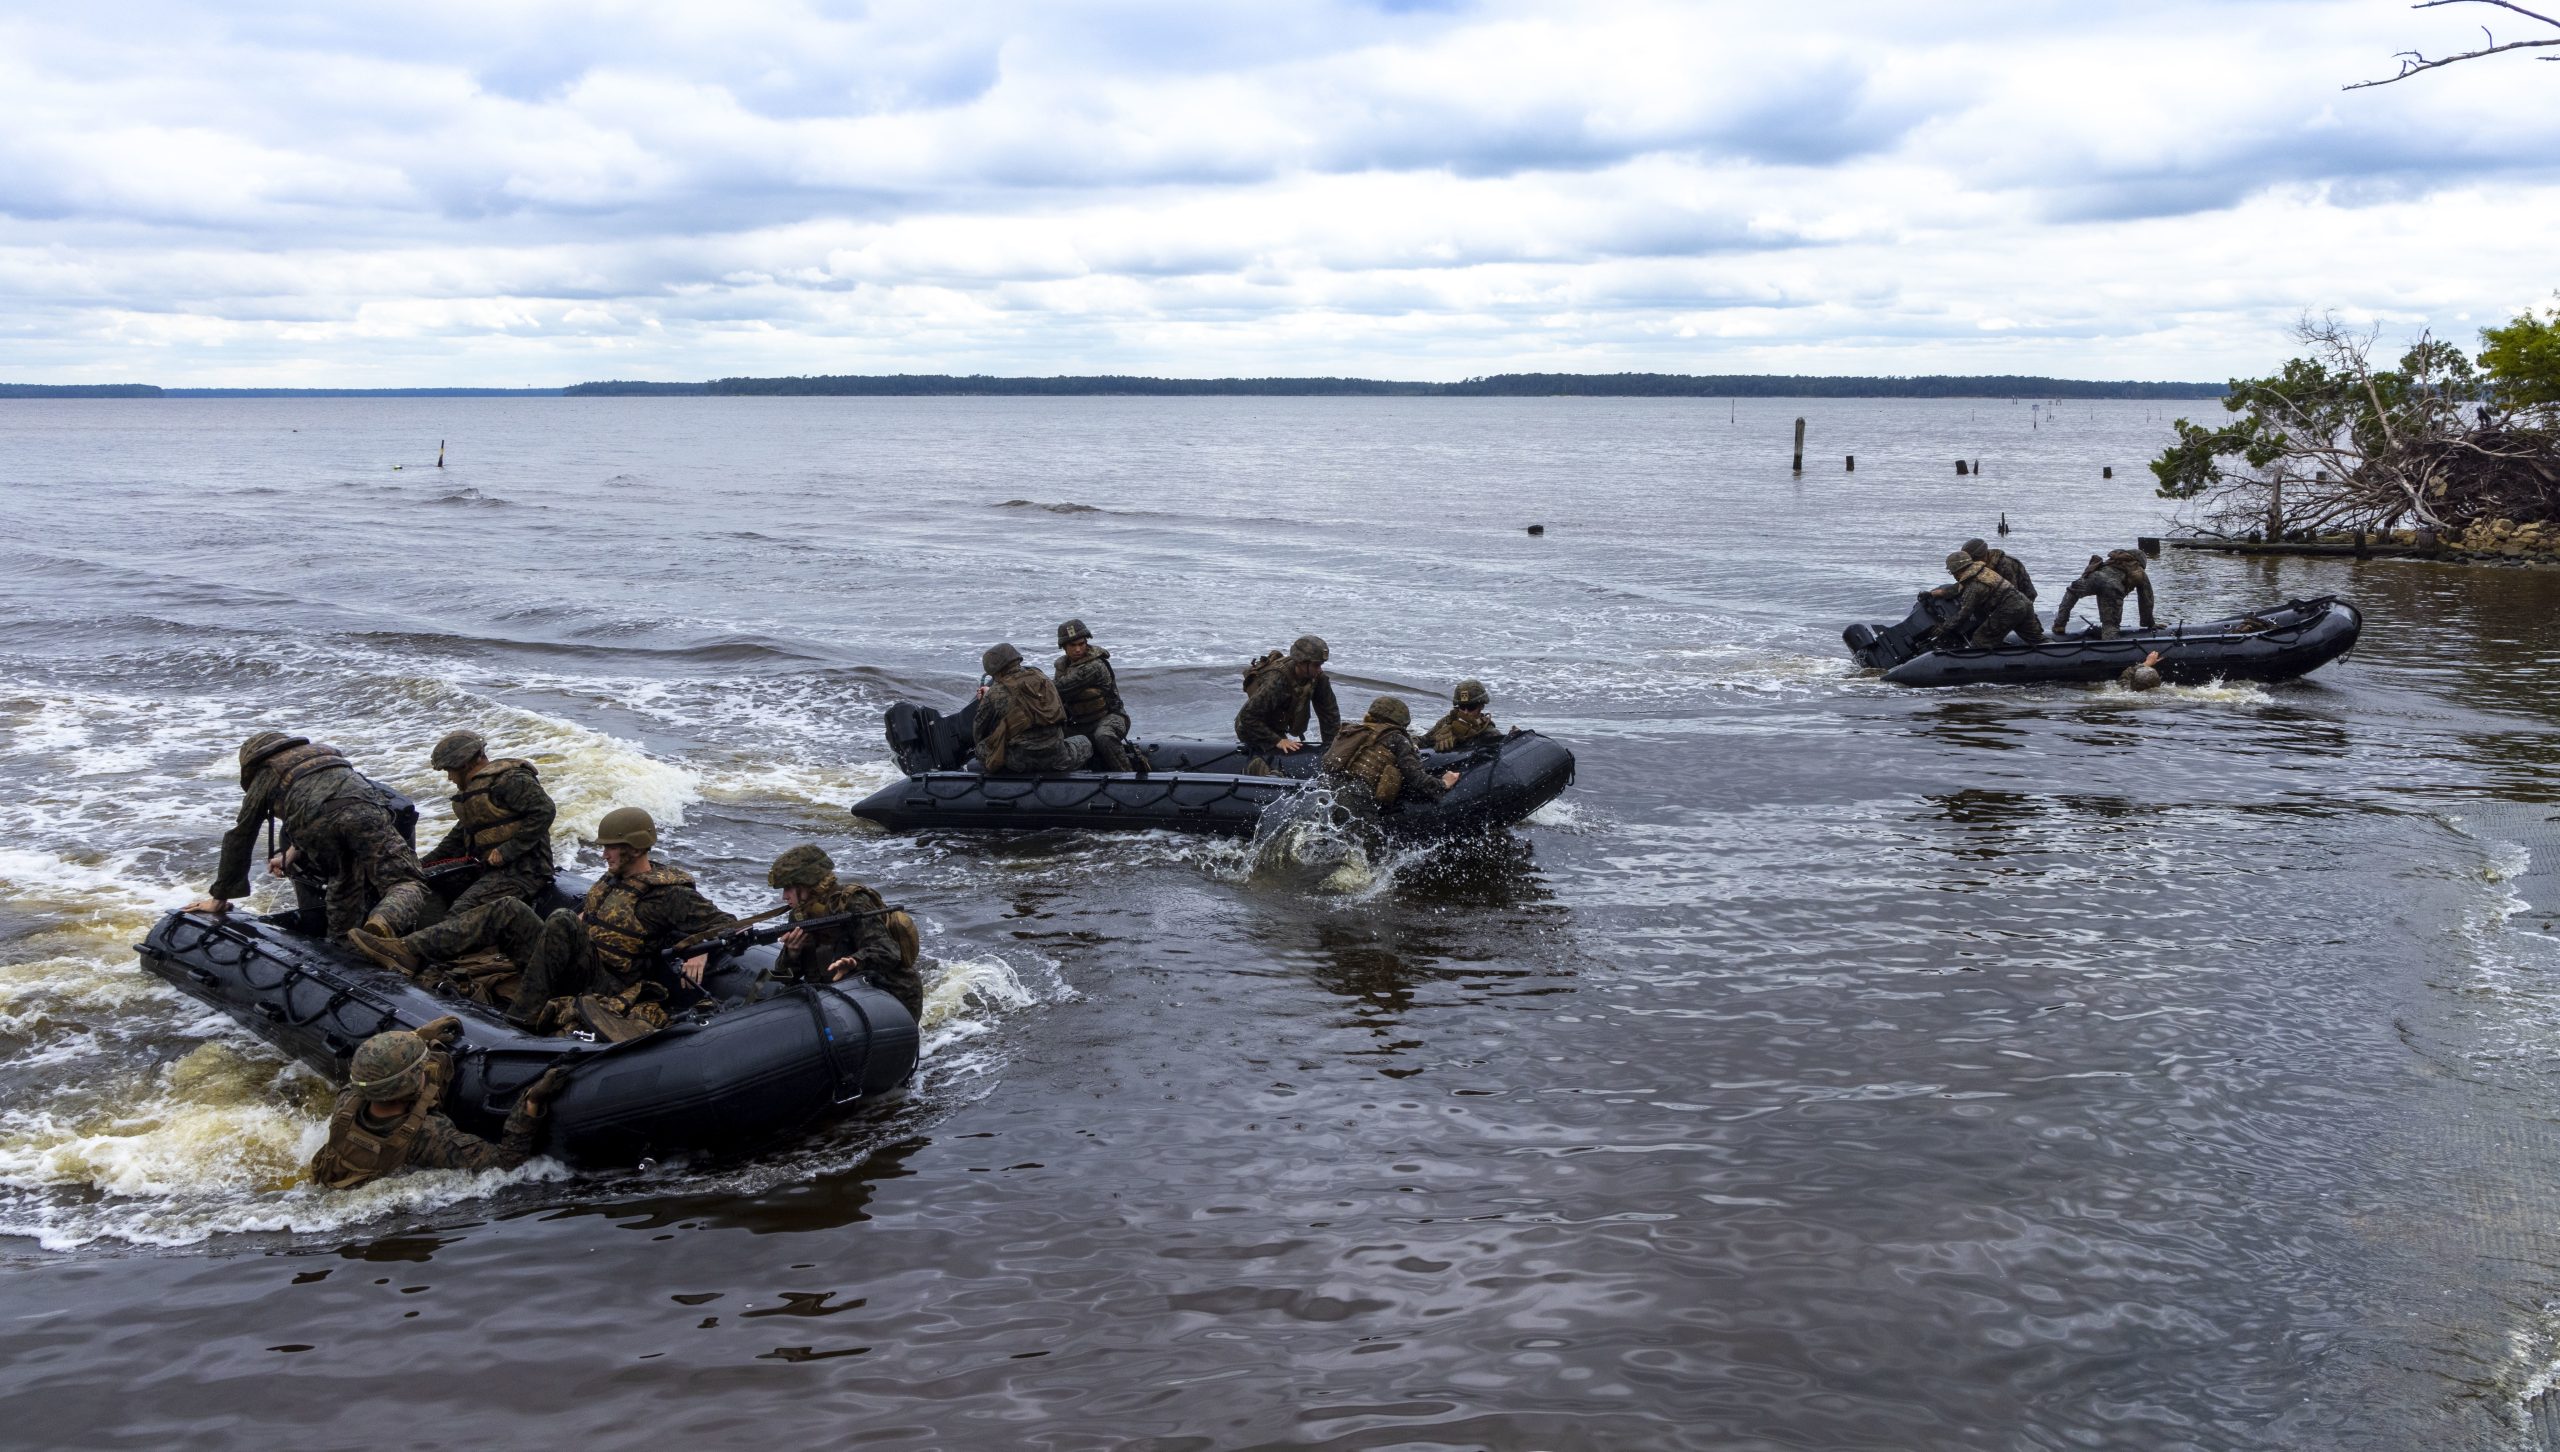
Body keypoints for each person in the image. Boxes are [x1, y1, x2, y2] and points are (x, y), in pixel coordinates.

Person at [351, 807, 730, 1032]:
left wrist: (700, 950)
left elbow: (727, 922)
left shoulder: (670, 894)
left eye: (611, 848)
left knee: (563, 918)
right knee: (509, 908)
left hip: (607, 982)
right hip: (572, 961)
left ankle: (521, 1019)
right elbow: (597, 914)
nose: (604, 856)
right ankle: (407, 951)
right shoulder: (614, 879)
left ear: (634, 847)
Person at [187, 731, 429, 941]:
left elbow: (240, 836)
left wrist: (219, 899)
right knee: (406, 882)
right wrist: (292, 852)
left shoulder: (267, 773)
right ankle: (382, 923)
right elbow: (338, 802)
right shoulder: (328, 754)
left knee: (342, 886)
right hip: (367, 812)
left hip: (317, 828)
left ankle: (342, 942)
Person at [308, 1017, 567, 1189]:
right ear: (410, 1083)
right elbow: (505, 1164)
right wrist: (531, 1102)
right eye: (420, 1069)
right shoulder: (430, 1137)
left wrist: (418, 1037)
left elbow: (377, 1073)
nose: (424, 1072)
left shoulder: (347, 1101)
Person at [766, 845, 924, 1020]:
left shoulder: (852, 902)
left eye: (788, 888)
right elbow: (786, 978)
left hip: (889, 995)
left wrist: (854, 961)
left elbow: (887, 951)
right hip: (840, 1000)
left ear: (807, 883)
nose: (784, 897)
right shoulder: (800, 916)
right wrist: (792, 953)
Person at [421, 730, 557, 916]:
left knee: (461, 914)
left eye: (449, 771)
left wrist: (507, 851)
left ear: (464, 764)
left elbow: (545, 810)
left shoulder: (509, 780)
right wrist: (419, 865)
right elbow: (455, 841)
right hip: (486, 870)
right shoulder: (475, 795)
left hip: (525, 872)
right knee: (425, 882)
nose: (449, 778)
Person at [1321, 696, 1460, 812]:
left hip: (1326, 791)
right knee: (1366, 844)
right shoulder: (1397, 739)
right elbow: (1416, 777)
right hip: (1357, 798)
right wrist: (1443, 783)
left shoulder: (1352, 731)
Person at [973, 643, 1092, 775]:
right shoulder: (1044, 679)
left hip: (1018, 761)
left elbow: (979, 730)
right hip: (1058, 756)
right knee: (1084, 741)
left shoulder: (994, 692)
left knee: (980, 748)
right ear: (1017, 660)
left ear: (996, 671)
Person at [1236, 635, 1341, 772]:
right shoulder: (1277, 680)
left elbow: (1330, 717)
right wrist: (1277, 741)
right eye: (1316, 665)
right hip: (1250, 727)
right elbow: (1247, 716)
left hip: (1277, 728)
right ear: (1301, 662)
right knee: (1271, 764)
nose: (1320, 669)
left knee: (1284, 755)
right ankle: (1255, 769)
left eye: (1321, 665)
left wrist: (1332, 751)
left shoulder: (1318, 679)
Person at [1053, 619, 1136, 772]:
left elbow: (1058, 688)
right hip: (1081, 723)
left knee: (1103, 736)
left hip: (1112, 718)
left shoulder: (1094, 666)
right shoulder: (1063, 666)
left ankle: (1126, 774)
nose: (1078, 649)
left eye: (1081, 644)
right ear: (1064, 647)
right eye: (1073, 645)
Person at [1934, 551, 2047, 649]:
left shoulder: (1974, 586)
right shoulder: (1983, 571)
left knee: (1980, 639)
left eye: (1951, 572)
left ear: (1957, 570)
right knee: (2037, 640)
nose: (1952, 575)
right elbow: (1958, 588)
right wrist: (1935, 593)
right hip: (2023, 602)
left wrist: (1944, 627)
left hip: (2009, 610)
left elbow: (1964, 614)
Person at [2053, 548, 2158, 639]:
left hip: (2093, 577)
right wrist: (2149, 623)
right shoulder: (2139, 572)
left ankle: (2059, 625)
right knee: (2110, 624)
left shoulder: (2110, 561)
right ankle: (2110, 645)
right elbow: (2146, 599)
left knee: (2072, 593)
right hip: (2112, 588)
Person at [1422, 680, 1499, 752]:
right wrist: (1434, 740)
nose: (1465, 712)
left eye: (1471, 707)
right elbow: (1422, 740)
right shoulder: (1447, 722)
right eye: (1462, 707)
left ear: (1481, 706)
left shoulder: (1490, 733)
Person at [1960, 537, 2037, 600]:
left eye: (1974, 559)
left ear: (1982, 556)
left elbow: (2012, 593)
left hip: (2023, 598)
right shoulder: (1982, 564)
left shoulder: (2004, 565)